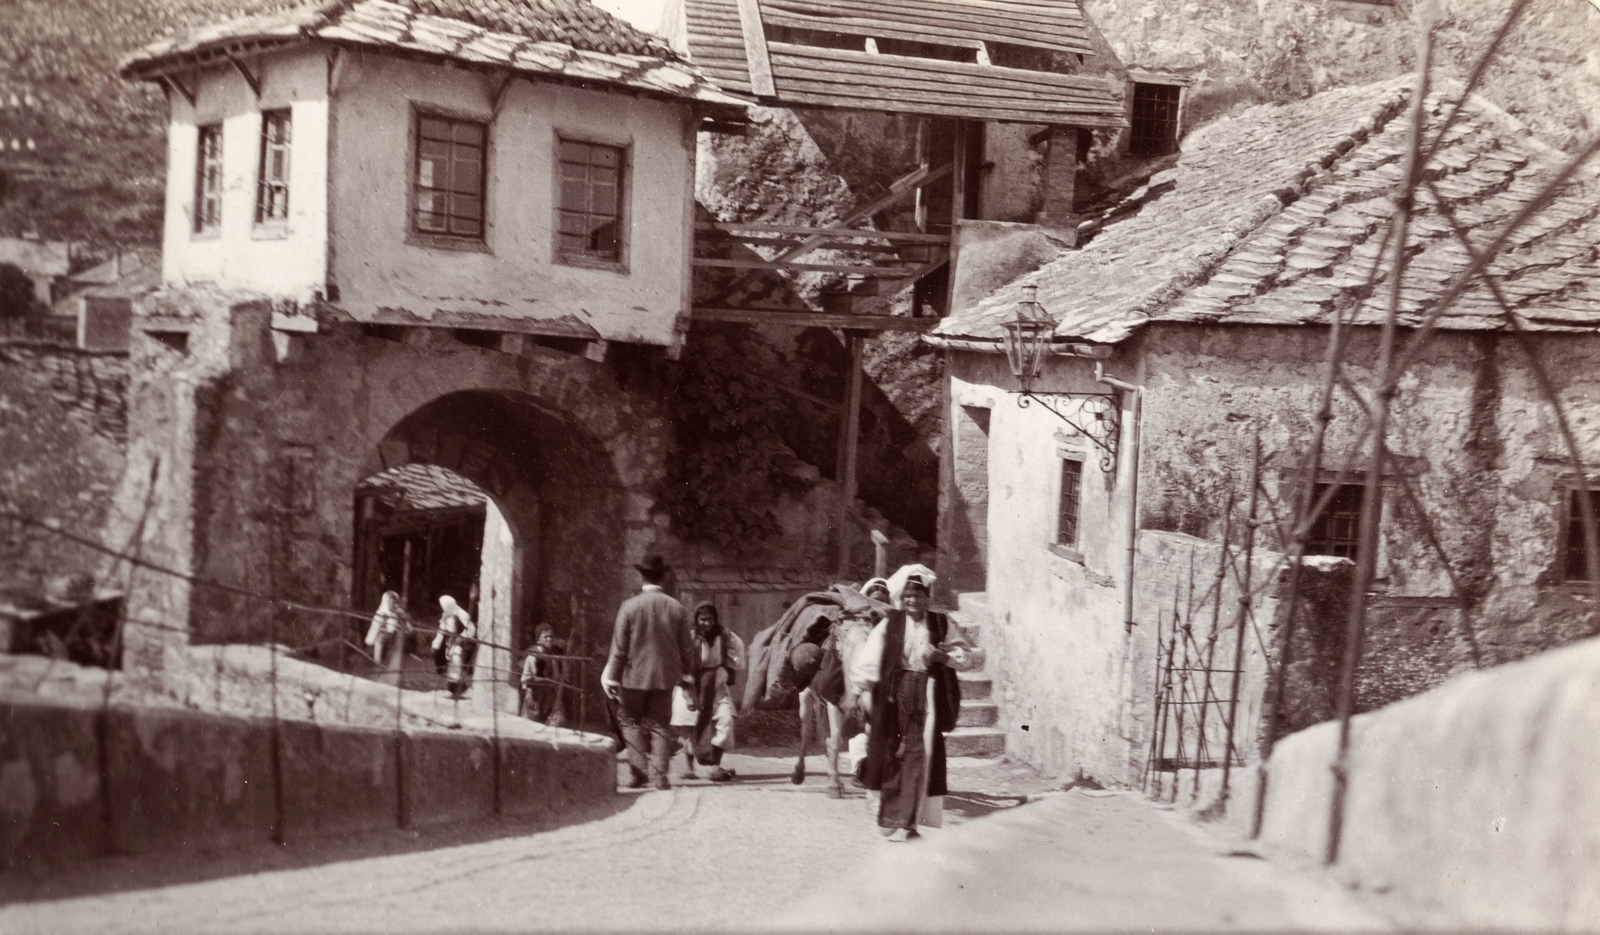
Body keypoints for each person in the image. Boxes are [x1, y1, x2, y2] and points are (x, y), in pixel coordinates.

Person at [850, 564, 975, 842]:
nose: (912, 600)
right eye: (907, 595)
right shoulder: (890, 624)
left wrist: (944, 658)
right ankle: (891, 816)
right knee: (893, 754)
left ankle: (911, 824)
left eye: (918, 595)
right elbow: (870, 660)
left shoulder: (941, 624)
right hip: (895, 696)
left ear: (927, 597)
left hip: (927, 696)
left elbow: (966, 657)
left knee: (922, 757)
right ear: (900, 597)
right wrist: (859, 691)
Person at [601, 555, 694, 791]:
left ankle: (639, 771)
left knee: (629, 720)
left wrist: (612, 676)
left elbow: (619, 648)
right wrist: (687, 675)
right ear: (663, 577)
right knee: (661, 724)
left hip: (633, 676)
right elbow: (687, 647)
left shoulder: (629, 606)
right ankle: (660, 774)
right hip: (665, 677)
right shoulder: (678, 608)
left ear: (641, 576)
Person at [670, 602, 746, 782]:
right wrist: (687, 692)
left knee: (725, 719)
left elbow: (737, 656)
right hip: (690, 684)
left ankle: (715, 766)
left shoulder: (725, 636)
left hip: (715, 683)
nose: (706, 623)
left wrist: (729, 664)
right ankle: (689, 769)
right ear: (696, 619)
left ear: (715, 619)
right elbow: (677, 661)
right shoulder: (688, 636)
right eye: (702, 619)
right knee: (687, 723)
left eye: (710, 619)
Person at [520, 624, 569, 725]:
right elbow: (525, 679)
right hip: (534, 697)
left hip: (550, 696)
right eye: (545, 636)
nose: (549, 639)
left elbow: (558, 678)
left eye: (551, 636)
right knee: (530, 725)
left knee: (558, 722)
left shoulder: (554, 656)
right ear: (538, 639)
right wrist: (544, 681)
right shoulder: (533, 655)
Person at [433, 594, 477, 700]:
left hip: (462, 642)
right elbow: (442, 628)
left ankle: (462, 689)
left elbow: (472, 628)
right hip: (451, 640)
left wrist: (461, 638)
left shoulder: (461, 614)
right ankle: (452, 689)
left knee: (456, 661)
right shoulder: (446, 614)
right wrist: (437, 642)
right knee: (450, 662)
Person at [365, 590, 408, 668]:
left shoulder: (397, 611)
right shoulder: (382, 612)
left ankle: (384, 662)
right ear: (386, 602)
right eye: (389, 602)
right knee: (378, 641)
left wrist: (404, 622)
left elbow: (405, 618)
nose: (391, 604)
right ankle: (377, 662)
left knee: (388, 642)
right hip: (384, 634)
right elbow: (376, 626)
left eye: (393, 603)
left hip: (393, 635)